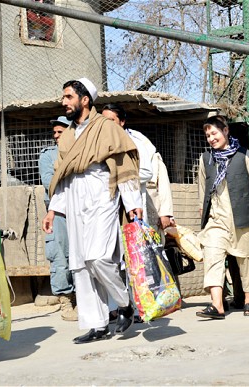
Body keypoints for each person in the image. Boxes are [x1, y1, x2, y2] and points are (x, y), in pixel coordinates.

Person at [42, 77, 143, 344]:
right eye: (63, 98)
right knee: (81, 266)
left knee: (98, 258)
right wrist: (53, 210)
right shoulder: (68, 136)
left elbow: (124, 168)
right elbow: (63, 175)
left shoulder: (107, 129)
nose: (64, 102)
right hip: (74, 201)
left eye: (68, 97)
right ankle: (96, 325)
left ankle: (124, 304)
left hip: (101, 199)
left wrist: (133, 205)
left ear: (84, 100)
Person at [196, 115, 249, 319]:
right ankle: (217, 305)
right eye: (208, 135)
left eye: (214, 133)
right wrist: (202, 214)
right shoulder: (206, 159)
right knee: (212, 257)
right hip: (216, 220)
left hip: (242, 217)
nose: (211, 138)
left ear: (225, 131)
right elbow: (202, 189)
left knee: (247, 260)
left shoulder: (243, 155)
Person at [101, 103, 175, 232]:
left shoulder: (136, 142)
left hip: (135, 203)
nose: (107, 125)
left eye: (111, 120)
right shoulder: (101, 143)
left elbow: (148, 173)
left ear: (122, 122)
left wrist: (122, 178)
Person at [39, 115, 76, 321]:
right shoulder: (49, 155)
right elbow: (49, 182)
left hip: (81, 211)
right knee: (60, 257)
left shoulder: (81, 150)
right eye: (54, 132)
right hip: (58, 211)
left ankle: (82, 299)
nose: (55, 136)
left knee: (80, 257)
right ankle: (65, 301)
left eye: (60, 132)